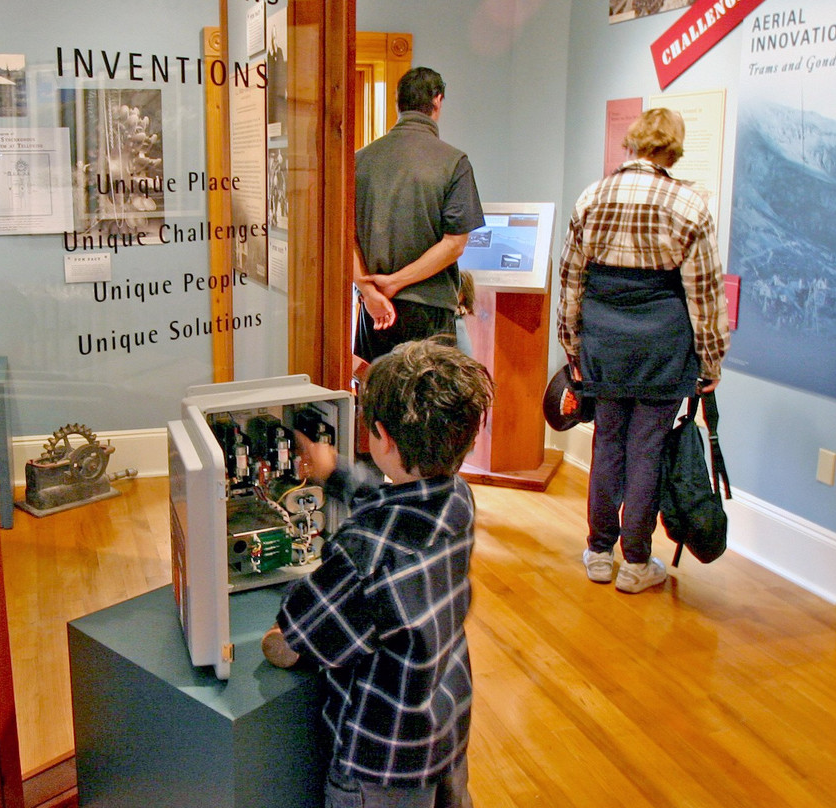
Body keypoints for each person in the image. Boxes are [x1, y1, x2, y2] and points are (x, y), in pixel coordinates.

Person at [261, 339, 495, 808]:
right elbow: (394, 508)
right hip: (445, 727)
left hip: (380, 765)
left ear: (381, 436)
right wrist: (338, 473)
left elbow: (295, 641)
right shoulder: (457, 500)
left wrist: (273, 636)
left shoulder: (362, 555)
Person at [557, 107, 730, 594]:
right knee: (647, 449)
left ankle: (597, 552)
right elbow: (705, 293)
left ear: (633, 143)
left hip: (604, 339)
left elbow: (572, 279)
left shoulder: (593, 196)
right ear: (672, 150)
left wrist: (572, 346)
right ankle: (635, 563)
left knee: (607, 442)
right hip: (662, 341)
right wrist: (711, 360)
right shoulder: (688, 205)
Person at [353, 67, 485, 363]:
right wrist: (396, 282)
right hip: (430, 310)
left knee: (377, 400)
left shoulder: (359, 161)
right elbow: (454, 244)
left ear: (398, 103)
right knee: (429, 402)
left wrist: (370, 290)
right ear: (438, 101)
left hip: (373, 311)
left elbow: (343, 238)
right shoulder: (454, 162)